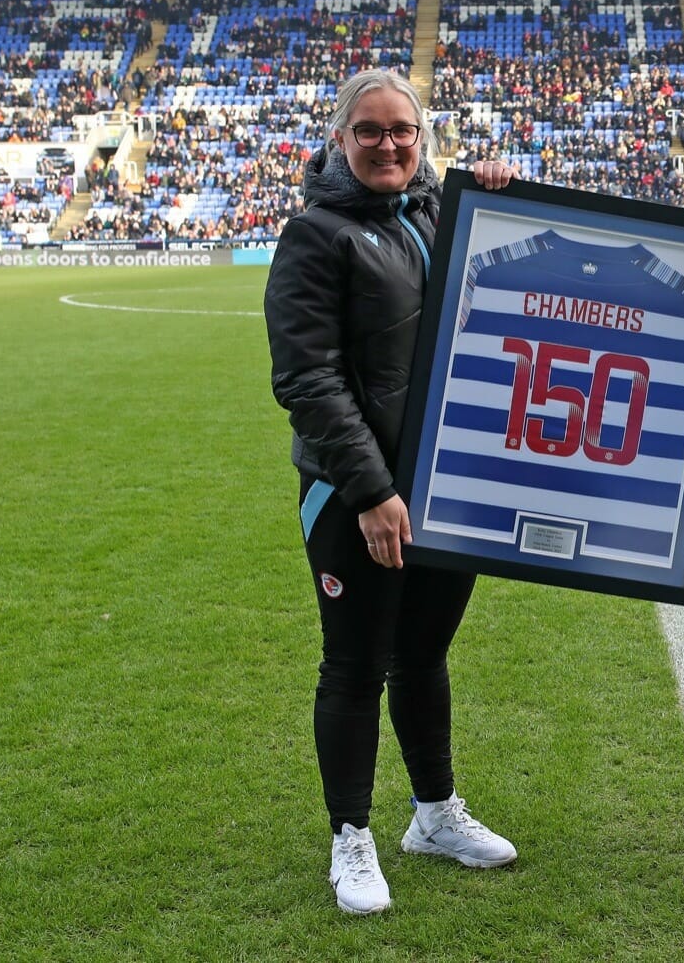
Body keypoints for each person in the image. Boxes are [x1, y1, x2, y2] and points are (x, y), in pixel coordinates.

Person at [263, 69, 519, 917]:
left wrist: (497, 195)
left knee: (425, 656)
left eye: (401, 131)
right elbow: (306, 379)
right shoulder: (314, 234)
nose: (386, 144)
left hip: (446, 488)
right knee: (354, 664)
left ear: (422, 139)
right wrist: (371, 491)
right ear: (340, 140)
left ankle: (434, 815)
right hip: (353, 500)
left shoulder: (440, 214)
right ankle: (350, 835)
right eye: (367, 131)